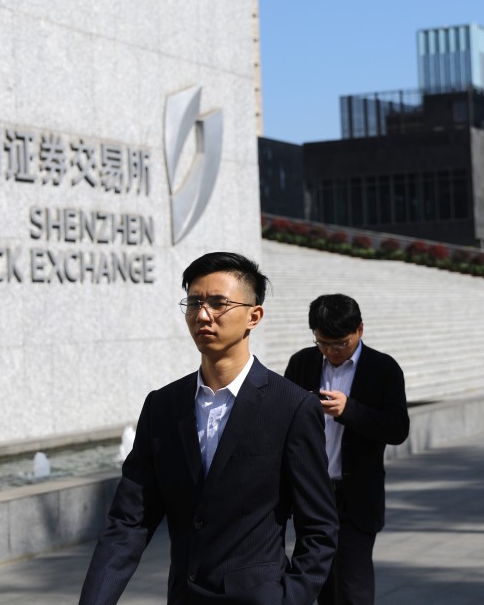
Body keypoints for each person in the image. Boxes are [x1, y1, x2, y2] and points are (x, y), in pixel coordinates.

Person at [80, 252, 338, 605]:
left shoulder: (291, 407)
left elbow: (319, 528)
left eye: (218, 303)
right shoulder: (163, 406)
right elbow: (130, 521)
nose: (202, 314)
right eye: (194, 302)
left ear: (254, 316)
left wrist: (290, 598)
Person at [284, 294, 410, 605]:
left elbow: (397, 428)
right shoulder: (302, 363)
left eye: (340, 343)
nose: (331, 351)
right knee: (317, 583)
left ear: (360, 330)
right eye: (323, 343)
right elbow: (282, 419)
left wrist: (349, 410)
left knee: (353, 587)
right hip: (312, 495)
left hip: (357, 497)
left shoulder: (383, 368)